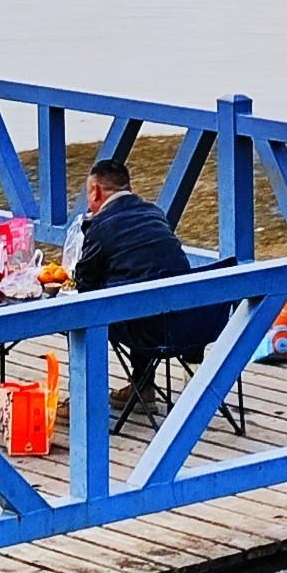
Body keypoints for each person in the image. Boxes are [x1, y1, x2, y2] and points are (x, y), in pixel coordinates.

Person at [73, 158, 226, 408]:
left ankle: (82, 401)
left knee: (83, 315)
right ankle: (141, 385)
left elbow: (85, 283)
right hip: (193, 322)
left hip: (149, 331)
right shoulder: (154, 213)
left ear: (95, 191)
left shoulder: (101, 225)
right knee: (144, 290)